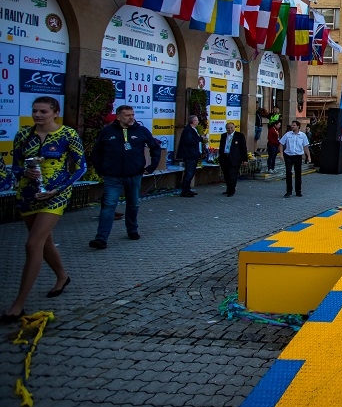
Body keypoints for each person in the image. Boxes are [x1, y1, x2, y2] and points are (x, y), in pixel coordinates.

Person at [2, 97, 86, 323]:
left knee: (32, 244)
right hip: (28, 195)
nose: (38, 115)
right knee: (43, 241)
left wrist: (60, 188)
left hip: (55, 195)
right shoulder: (23, 134)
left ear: (55, 113)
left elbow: (81, 167)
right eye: (35, 111)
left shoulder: (68, 134)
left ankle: (18, 304)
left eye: (43, 111)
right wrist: (23, 173)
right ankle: (62, 275)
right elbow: (16, 165)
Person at [89, 105, 161, 249]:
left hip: (134, 175)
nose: (131, 117)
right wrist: (101, 170)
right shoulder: (107, 131)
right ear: (119, 117)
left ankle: (132, 230)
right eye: (127, 115)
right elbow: (96, 152)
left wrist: (152, 166)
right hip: (112, 176)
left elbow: (155, 147)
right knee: (109, 206)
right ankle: (101, 238)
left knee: (133, 204)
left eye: (132, 114)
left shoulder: (141, 131)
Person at [279, 120, 311, 197]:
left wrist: (308, 156)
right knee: (288, 173)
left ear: (298, 126)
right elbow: (281, 143)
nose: (292, 126)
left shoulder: (302, 135)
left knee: (298, 173)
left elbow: (305, 146)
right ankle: (289, 191)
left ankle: (298, 191)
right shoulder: (288, 134)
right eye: (292, 125)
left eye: (294, 125)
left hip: (298, 156)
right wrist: (281, 154)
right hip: (288, 155)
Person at [176, 115, 204, 197]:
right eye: (196, 120)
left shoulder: (193, 129)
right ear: (193, 121)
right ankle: (185, 191)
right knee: (189, 173)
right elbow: (189, 141)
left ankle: (187, 189)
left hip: (193, 154)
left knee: (191, 173)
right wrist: (200, 138)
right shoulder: (188, 130)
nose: (198, 122)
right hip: (190, 155)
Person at [218, 122, 249, 196]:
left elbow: (243, 148)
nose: (230, 129)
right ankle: (228, 189)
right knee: (226, 175)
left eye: (231, 128)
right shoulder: (223, 136)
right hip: (225, 158)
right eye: (228, 128)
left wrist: (245, 159)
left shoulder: (239, 136)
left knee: (232, 175)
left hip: (235, 159)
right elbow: (221, 147)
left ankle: (232, 190)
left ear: (234, 127)